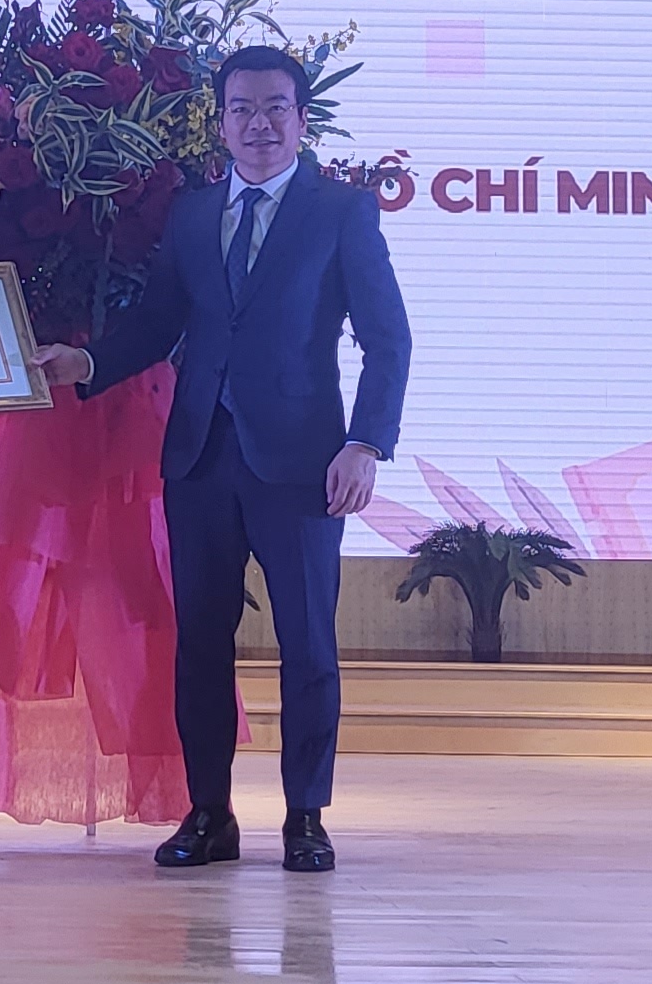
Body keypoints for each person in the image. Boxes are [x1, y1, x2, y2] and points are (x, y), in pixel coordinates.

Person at [32, 46, 407, 873]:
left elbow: (388, 339)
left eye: (275, 108)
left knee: (308, 646)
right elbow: (158, 322)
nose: (258, 124)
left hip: (305, 465)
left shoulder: (342, 212)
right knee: (199, 642)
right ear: (221, 121)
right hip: (200, 457)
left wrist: (366, 443)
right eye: (242, 109)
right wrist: (85, 362)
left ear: (301, 120)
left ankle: (305, 817)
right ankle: (209, 815)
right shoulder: (194, 214)